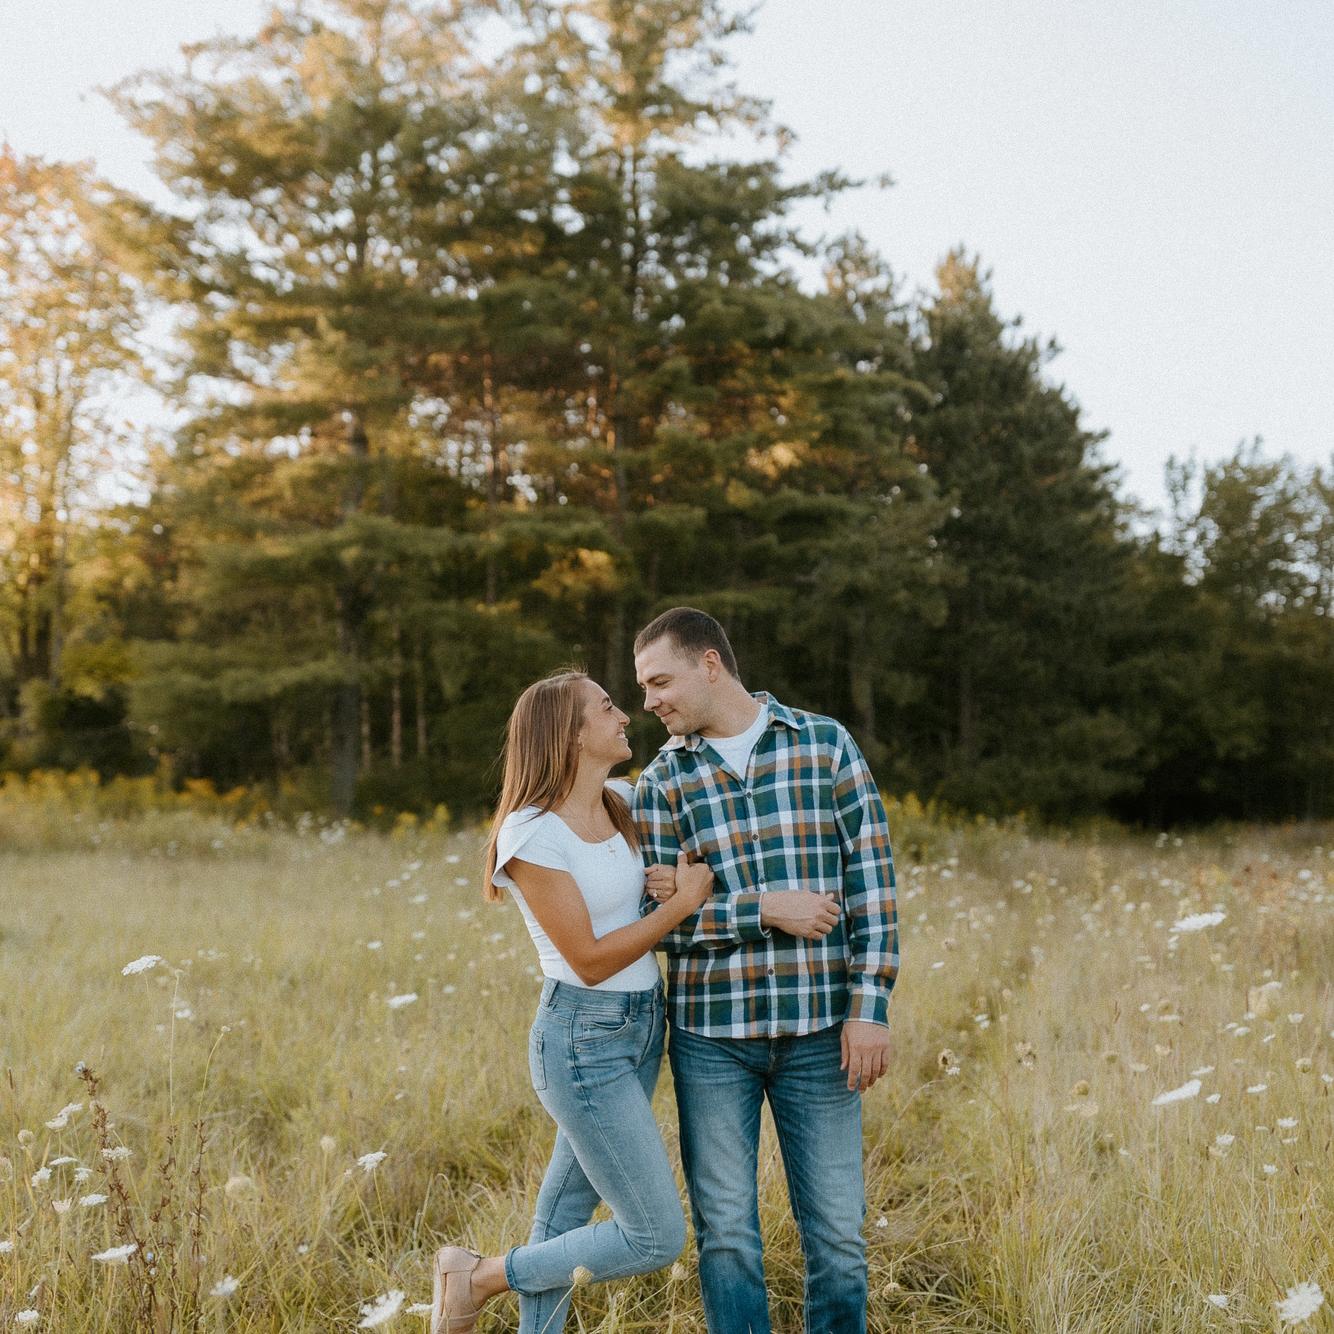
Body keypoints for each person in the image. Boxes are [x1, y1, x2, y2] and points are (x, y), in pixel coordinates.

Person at [632, 608, 899, 1334]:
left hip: (821, 1033)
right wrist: (765, 909)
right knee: (726, 1237)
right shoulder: (662, 783)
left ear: (710, 664)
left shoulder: (824, 745)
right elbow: (662, 925)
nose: (649, 701)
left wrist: (868, 1007)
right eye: (644, 688)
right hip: (712, 1041)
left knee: (839, 1238)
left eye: (660, 682)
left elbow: (872, 882)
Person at [431, 669, 713, 1334]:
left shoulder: (622, 802)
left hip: (642, 1028)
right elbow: (587, 959)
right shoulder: (532, 833)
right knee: (655, 1235)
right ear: (571, 733)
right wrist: (680, 905)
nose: (626, 716)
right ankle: (476, 1277)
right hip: (583, 1040)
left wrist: (669, 881)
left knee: (560, 1220)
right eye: (608, 707)